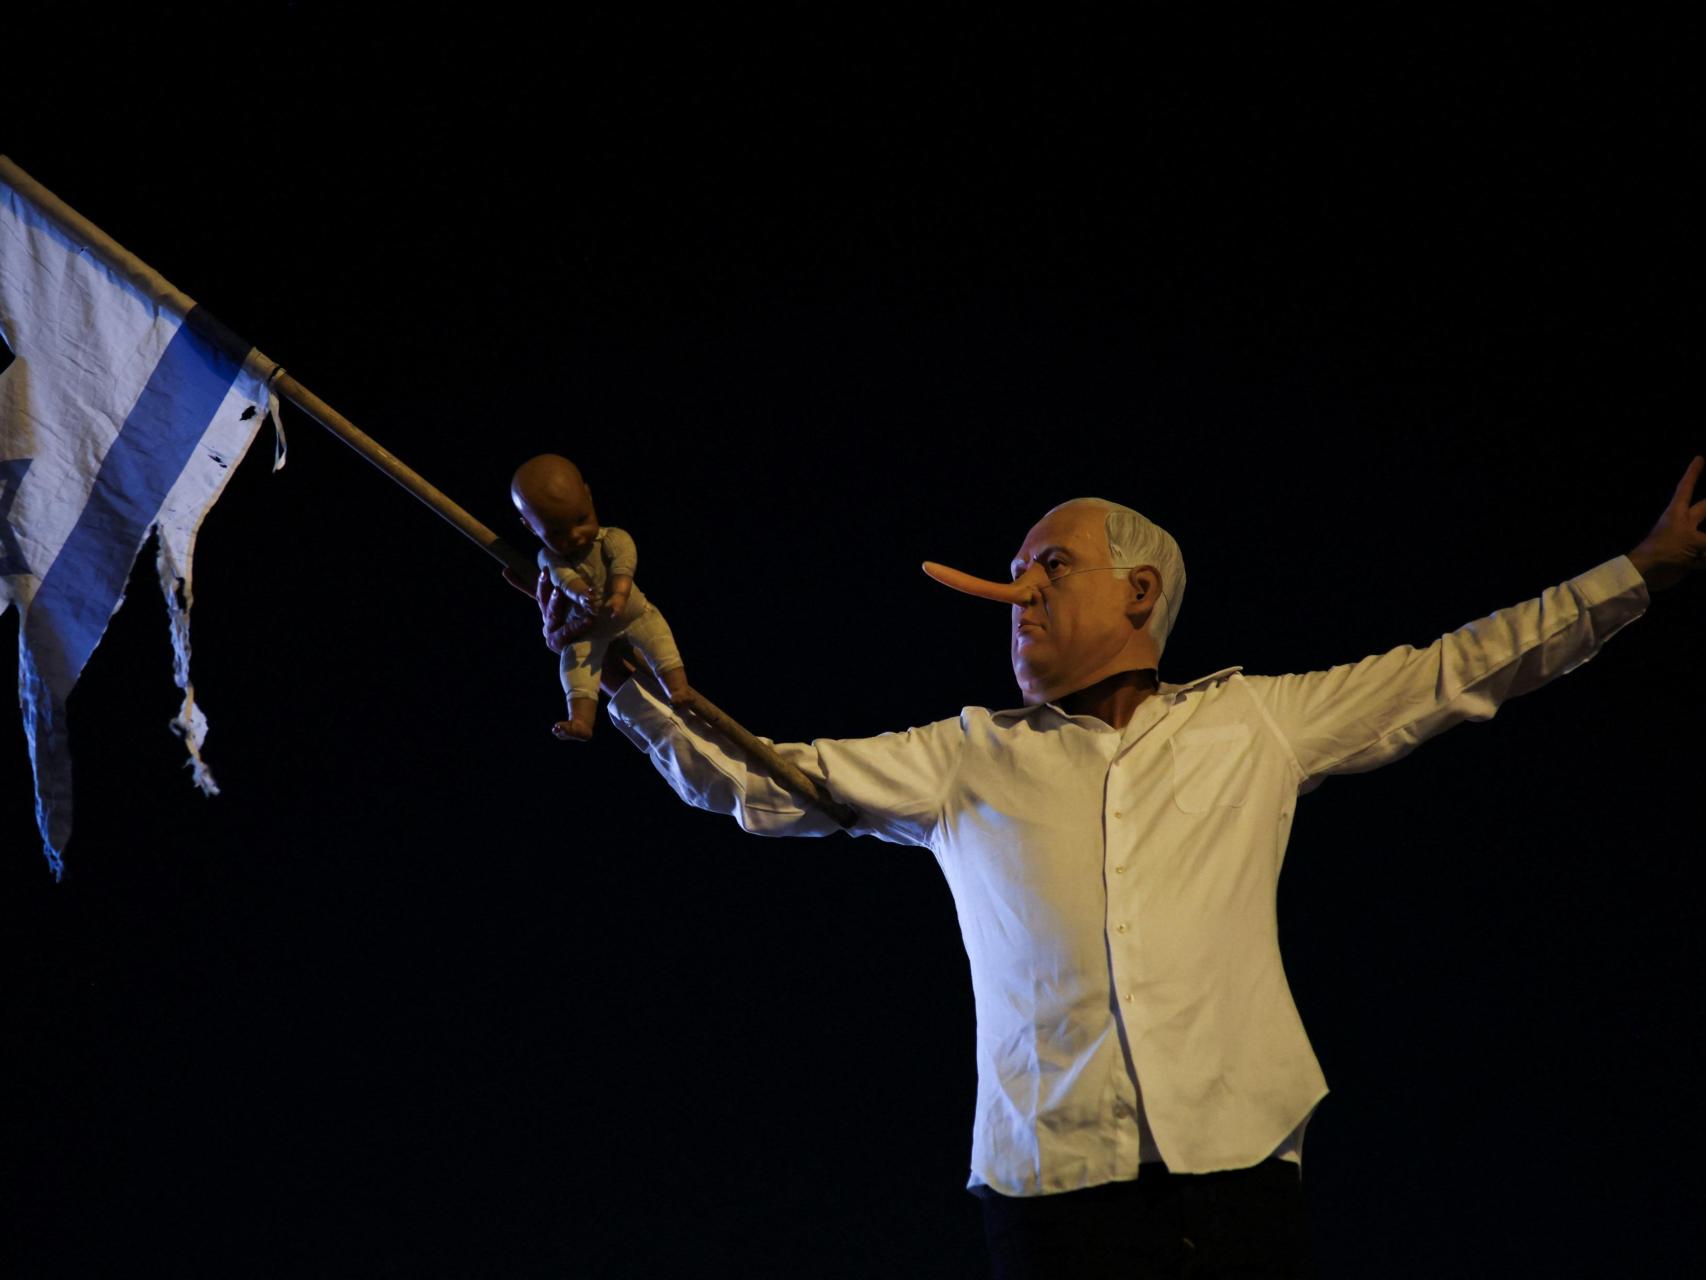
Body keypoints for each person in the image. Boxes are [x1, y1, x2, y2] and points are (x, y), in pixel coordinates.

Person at [521, 459, 1705, 1278]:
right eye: (1014, 570)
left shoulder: (1253, 723)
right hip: (1051, 1198)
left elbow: (1463, 666)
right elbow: (751, 777)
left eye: (1050, 564)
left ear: (1138, 590)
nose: (1019, 590)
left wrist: (1636, 572)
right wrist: (622, 673)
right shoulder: (965, 758)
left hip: (1238, 1176)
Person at [508, 454, 693, 741]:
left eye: (581, 520)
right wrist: (580, 595)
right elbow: (562, 578)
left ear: (588, 496)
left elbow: (623, 564)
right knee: (575, 665)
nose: (575, 536)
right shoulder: (548, 557)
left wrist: (619, 594)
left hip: (632, 613)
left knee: (659, 641)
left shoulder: (611, 538)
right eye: (557, 533)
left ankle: (678, 688)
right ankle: (580, 719)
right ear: (531, 527)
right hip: (588, 630)